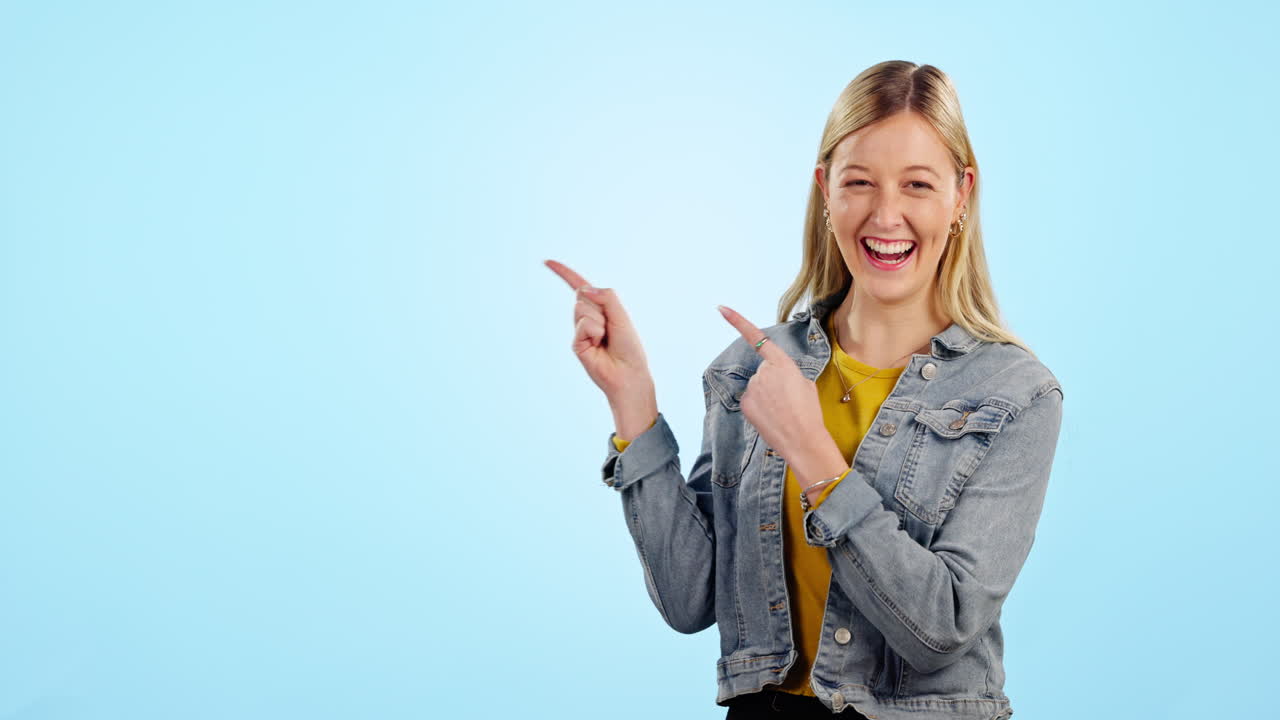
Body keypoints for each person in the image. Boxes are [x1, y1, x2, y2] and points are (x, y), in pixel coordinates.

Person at [545, 59, 1063, 720]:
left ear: (961, 195)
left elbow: (942, 630)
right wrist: (633, 402)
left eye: (917, 184)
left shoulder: (1016, 395)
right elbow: (690, 600)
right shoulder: (750, 369)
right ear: (825, 190)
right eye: (859, 182)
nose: (886, 214)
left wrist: (814, 456)